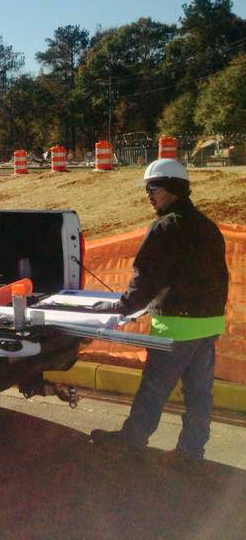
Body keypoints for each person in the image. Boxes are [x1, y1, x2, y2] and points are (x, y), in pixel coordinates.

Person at [90, 158, 228, 469]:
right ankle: (192, 453)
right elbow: (220, 275)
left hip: (176, 325)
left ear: (171, 190)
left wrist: (122, 307)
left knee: (153, 388)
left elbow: (146, 274)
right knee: (199, 395)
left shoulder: (166, 226)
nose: (148, 195)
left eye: (152, 189)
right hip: (208, 325)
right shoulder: (208, 226)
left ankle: (131, 441)